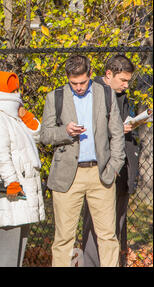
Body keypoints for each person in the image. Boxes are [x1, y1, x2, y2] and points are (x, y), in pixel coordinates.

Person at [40, 55, 125, 267]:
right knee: (64, 238)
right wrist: (65, 132)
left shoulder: (105, 94)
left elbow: (117, 133)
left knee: (107, 236)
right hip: (68, 175)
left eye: (82, 82)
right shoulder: (55, 97)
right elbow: (45, 135)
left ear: (90, 74)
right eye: (73, 83)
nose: (78, 87)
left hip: (101, 174)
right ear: (68, 78)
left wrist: (114, 166)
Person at [0, 70, 45, 267]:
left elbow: (36, 135)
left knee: (19, 243)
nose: (17, 90)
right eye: (12, 87)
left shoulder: (12, 115)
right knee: (7, 247)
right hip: (12, 188)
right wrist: (11, 182)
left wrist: (26, 117)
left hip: (21, 187)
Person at [82, 55, 138, 267]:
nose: (126, 85)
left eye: (128, 81)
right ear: (108, 74)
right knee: (96, 224)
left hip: (123, 166)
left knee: (116, 223)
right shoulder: (90, 92)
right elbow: (86, 130)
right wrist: (114, 129)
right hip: (99, 168)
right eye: (123, 80)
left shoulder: (121, 95)